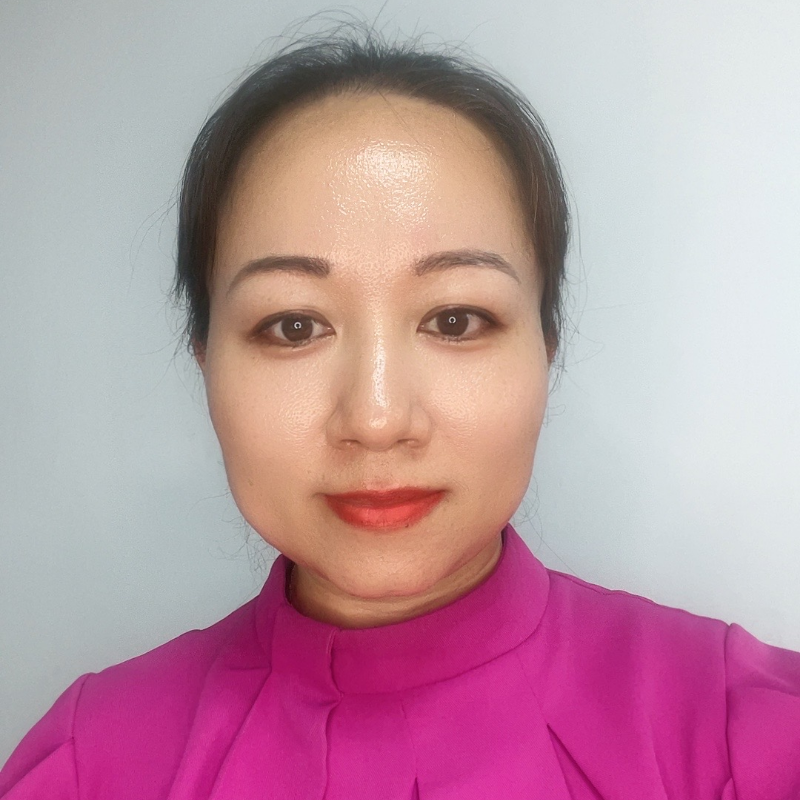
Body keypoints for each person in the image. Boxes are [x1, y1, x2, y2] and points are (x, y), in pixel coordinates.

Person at [2, 21, 799, 800]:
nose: (377, 420)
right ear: (205, 357)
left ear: (546, 346)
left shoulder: (742, 735)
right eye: (293, 326)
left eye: (455, 319)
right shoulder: (88, 765)